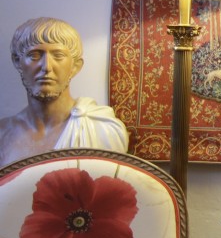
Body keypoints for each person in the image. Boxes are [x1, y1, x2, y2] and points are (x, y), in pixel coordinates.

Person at [0, 17, 128, 167]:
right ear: (17, 62)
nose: (46, 67)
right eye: (34, 55)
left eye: (58, 56)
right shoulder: (3, 134)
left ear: (75, 66)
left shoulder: (103, 131)